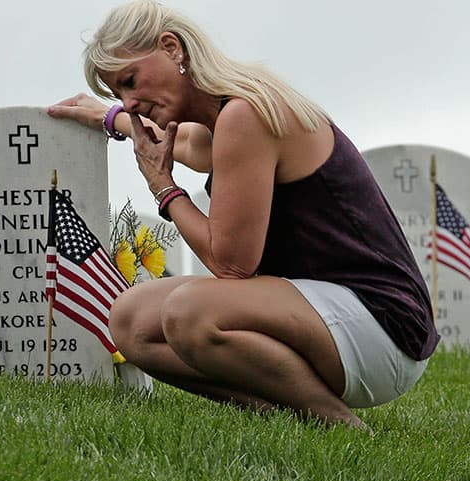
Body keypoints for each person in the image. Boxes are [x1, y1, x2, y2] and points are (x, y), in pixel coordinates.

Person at [48, 0, 438, 431]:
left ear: (172, 48)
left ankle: (336, 424)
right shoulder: (225, 114)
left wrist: (163, 187)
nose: (130, 101)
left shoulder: (245, 112)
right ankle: (282, 415)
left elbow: (231, 264)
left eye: (130, 81)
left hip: (382, 326)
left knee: (188, 313)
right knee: (130, 320)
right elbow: (184, 146)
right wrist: (110, 117)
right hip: (326, 313)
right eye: (118, 93)